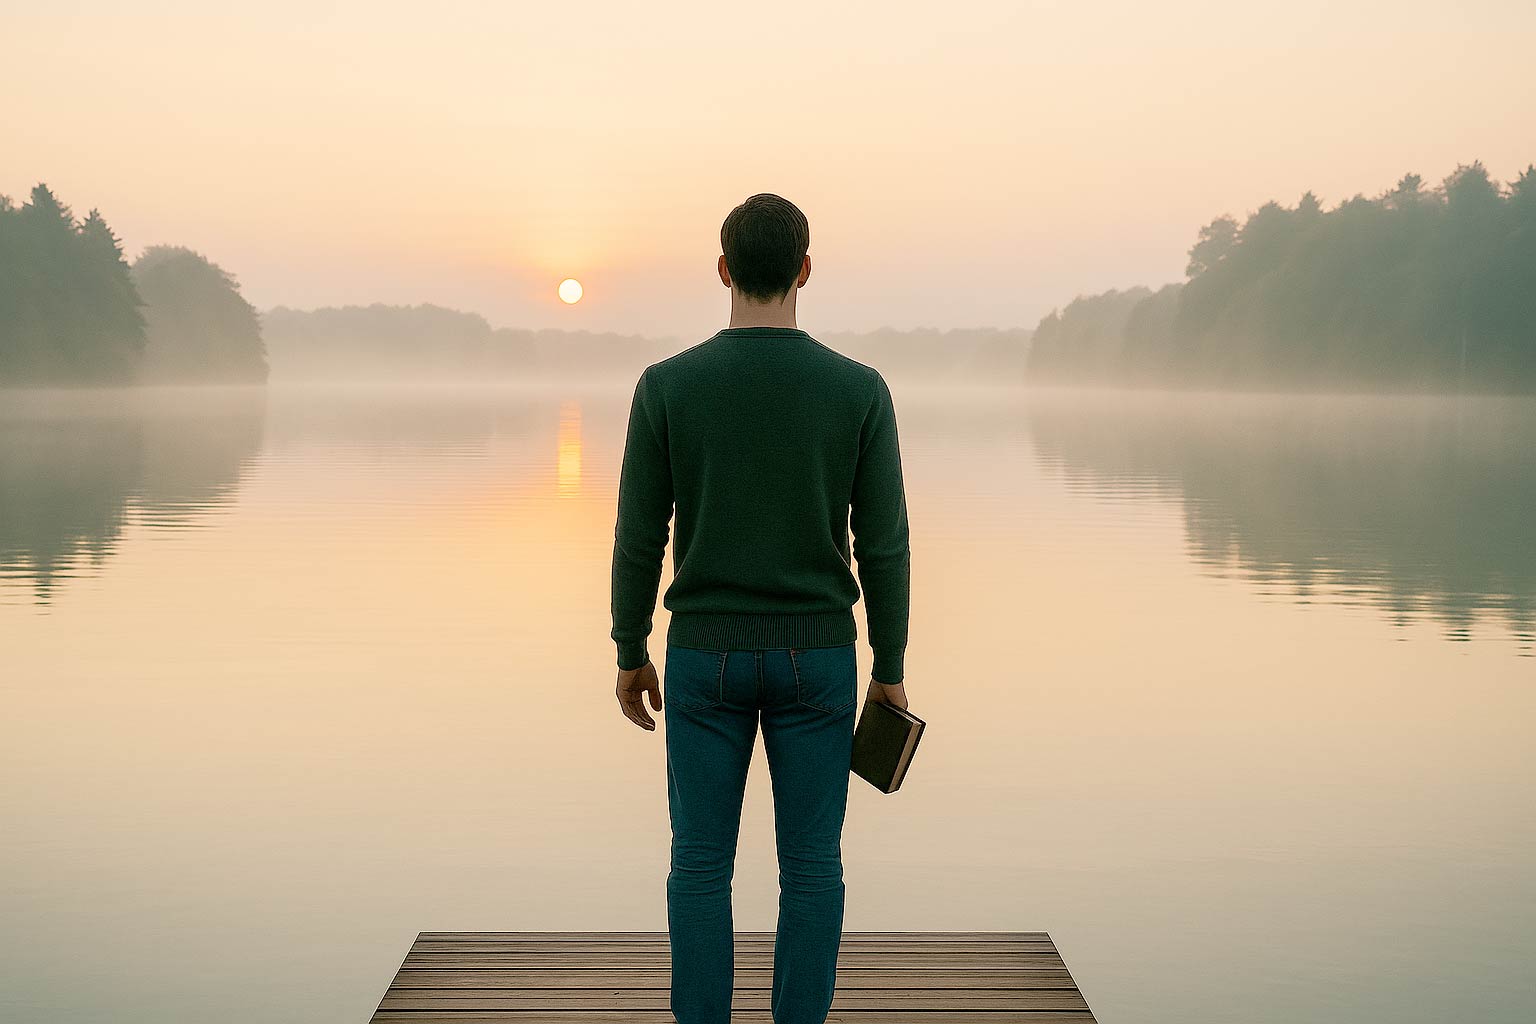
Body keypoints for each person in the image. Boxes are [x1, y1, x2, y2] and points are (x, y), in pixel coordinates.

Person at [610, 192, 911, 1024]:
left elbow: (639, 535)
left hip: (702, 656)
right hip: (820, 660)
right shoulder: (859, 390)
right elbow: (884, 545)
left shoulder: (666, 386)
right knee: (812, 867)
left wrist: (630, 646)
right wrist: (889, 668)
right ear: (804, 270)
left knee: (699, 865)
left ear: (724, 270)